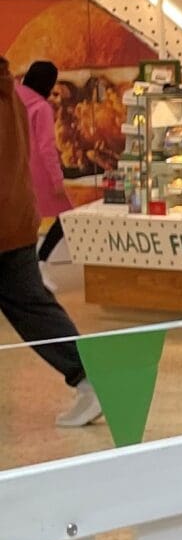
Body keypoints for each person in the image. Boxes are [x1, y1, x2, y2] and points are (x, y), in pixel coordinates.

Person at [0, 57, 102, 429]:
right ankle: (90, 376)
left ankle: (90, 377)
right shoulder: (11, 93)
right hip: (15, 217)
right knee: (33, 307)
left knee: (32, 306)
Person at [19, 60, 73, 262]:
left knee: (23, 218)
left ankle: (26, 260)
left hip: (16, 170)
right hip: (38, 173)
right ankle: (41, 257)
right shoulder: (42, 108)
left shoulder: (12, 98)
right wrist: (57, 179)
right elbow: (46, 148)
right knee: (66, 216)